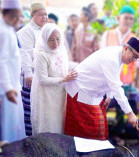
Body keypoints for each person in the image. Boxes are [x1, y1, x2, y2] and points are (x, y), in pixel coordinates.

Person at [65, 37, 139, 140]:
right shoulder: (111, 58)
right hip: (80, 92)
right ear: (126, 48)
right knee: (93, 133)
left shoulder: (120, 55)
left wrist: (109, 96)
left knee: (100, 131)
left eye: (137, 58)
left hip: (93, 94)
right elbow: (116, 87)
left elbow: (113, 77)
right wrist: (130, 113)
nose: (133, 60)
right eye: (134, 56)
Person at [30, 23, 77, 135]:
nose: (55, 43)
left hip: (59, 93)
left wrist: (80, 66)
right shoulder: (41, 54)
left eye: (57, 39)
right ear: (45, 39)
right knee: (48, 122)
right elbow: (42, 79)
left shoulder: (62, 49)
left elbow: (64, 65)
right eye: (51, 40)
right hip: (46, 95)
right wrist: (63, 80)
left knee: (58, 121)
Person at [17, 2, 47, 136]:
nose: (44, 17)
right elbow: (25, 54)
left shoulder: (45, 30)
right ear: (32, 15)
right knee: (30, 110)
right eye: (41, 15)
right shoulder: (26, 31)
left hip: (43, 77)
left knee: (40, 110)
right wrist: (29, 74)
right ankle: (30, 140)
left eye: (45, 14)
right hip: (31, 77)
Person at [0, 0, 26, 142]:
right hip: (6, 89)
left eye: (19, 16)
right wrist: (8, 88)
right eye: (14, 16)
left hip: (12, 85)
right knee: (7, 127)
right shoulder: (3, 31)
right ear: (4, 13)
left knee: (14, 125)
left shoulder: (9, 29)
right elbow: (1, 62)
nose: (18, 20)